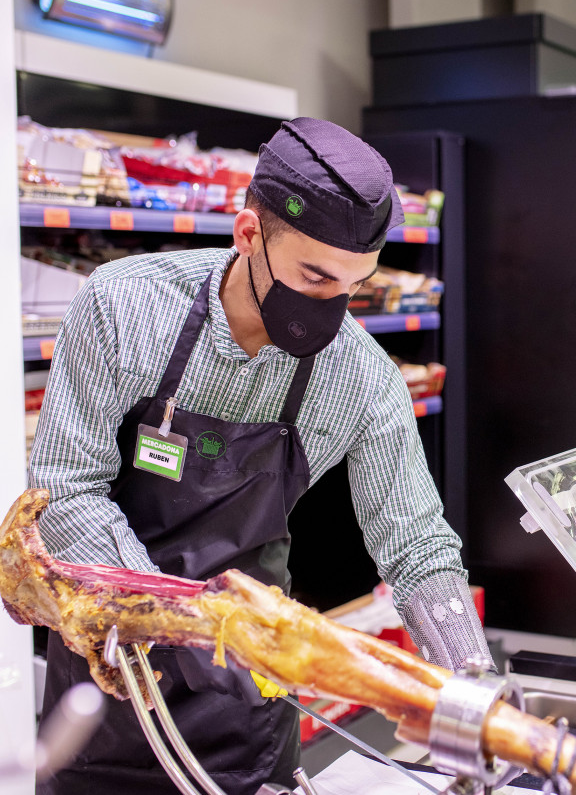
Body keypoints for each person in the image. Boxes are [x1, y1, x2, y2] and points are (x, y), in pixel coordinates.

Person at [30, 118, 492, 795]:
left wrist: (471, 687)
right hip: (103, 691)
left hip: (243, 707)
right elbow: (66, 492)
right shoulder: (125, 305)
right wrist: (182, 622)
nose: (334, 308)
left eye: (354, 286)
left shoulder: (359, 377)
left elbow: (418, 544)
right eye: (314, 276)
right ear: (248, 234)